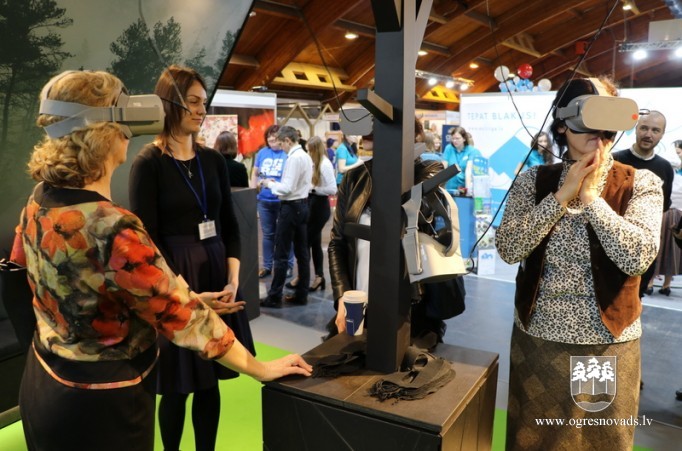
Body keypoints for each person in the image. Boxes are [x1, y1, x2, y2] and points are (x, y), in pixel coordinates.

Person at [10, 70, 311, 451]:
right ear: (105, 132)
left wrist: (190, 298)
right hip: (104, 406)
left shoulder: (39, 200)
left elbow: (61, 282)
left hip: (45, 383)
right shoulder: (112, 227)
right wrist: (260, 367)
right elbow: (186, 319)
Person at [496, 77, 662, 450]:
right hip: (540, 337)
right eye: (590, 117)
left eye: (609, 121)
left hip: (605, 341)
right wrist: (561, 196)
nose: (600, 133)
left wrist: (591, 200)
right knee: (534, 438)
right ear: (562, 124)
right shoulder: (533, 180)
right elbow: (509, 248)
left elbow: (637, 256)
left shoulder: (640, 183)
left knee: (597, 440)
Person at [128, 65, 258, 451]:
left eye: (204, 102)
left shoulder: (213, 161)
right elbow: (148, 241)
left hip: (217, 271)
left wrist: (232, 280)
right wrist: (185, 294)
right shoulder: (148, 163)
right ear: (171, 103)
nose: (202, 110)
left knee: (210, 378)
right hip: (175, 279)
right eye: (193, 102)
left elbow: (230, 225)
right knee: (176, 385)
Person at [327, 120, 448, 344]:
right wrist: (342, 294)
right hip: (359, 300)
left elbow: (414, 212)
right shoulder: (354, 178)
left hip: (409, 308)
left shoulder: (427, 171)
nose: (366, 133)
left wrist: (392, 157)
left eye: (378, 126)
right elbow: (337, 242)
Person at [613, 111, 673, 297]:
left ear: (662, 134)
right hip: (611, 245)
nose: (648, 134)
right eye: (644, 128)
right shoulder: (614, 160)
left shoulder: (665, 168)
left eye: (655, 130)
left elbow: (663, 207)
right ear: (636, 129)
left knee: (635, 300)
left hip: (642, 252)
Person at [260, 126, 313, 308]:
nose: (280, 147)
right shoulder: (305, 156)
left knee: (281, 254)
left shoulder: (294, 158)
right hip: (303, 206)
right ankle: (302, 294)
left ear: (288, 141)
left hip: (291, 208)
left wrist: (268, 184)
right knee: (302, 253)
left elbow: (287, 188)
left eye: (281, 143)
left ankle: (274, 297)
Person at [251, 125, 294, 279]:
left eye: (274, 137)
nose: (271, 140)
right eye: (269, 137)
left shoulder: (287, 153)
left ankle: (288, 265)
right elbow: (255, 174)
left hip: (282, 200)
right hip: (264, 200)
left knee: (285, 234)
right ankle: (267, 266)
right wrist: (254, 193)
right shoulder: (262, 153)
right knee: (268, 235)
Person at [297, 136, 337, 292]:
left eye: (310, 150)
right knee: (314, 243)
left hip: (319, 208)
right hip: (312, 205)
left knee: (305, 242)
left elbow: (332, 189)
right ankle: (319, 277)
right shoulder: (313, 162)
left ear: (316, 150)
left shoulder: (325, 164)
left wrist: (313, 189)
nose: (308, 153)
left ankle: (303, 277)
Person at [442, 126, 481, 193]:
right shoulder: (448, 148)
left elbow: (468, 171)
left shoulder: (472, 151)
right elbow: (443, 168)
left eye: (457, 138)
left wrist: (468, 190)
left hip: (463, 188)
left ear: (464, 139)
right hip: (449, 188)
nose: (454, 141)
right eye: (453, 138)